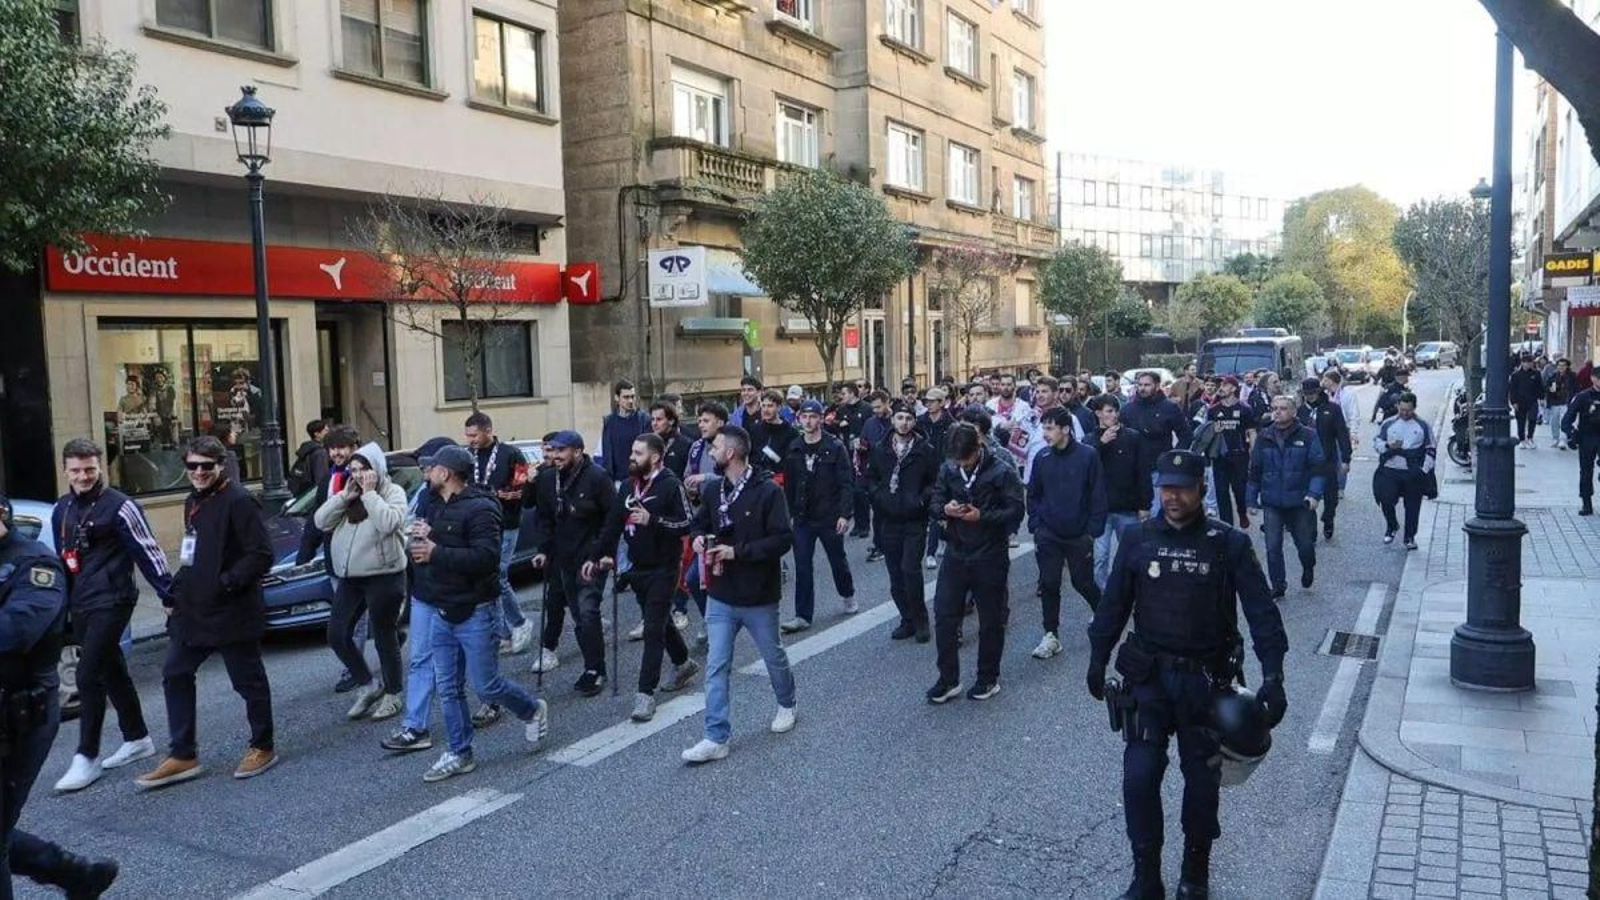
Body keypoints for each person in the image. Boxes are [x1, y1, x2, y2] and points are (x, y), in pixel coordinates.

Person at [1087, 450, 1288, 899]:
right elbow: (1114, 604)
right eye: (1165, 487)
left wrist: (1274, 675)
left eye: (1182, 487)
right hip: (1149, 679)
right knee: (1139, 778)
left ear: (1201, 488)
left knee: (1201, 784)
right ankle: (1146, 877)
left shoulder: (1228, 543)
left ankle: (1195, 872)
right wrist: (1098, 656)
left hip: (1205, 686)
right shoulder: (1138, 539)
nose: (1172, 496)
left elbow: (1261, 613)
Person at [136, 436, 276, 788]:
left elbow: (261, 555)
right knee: (175, 672)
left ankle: (263, 745)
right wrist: (176, 591)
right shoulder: (192, 501)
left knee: (248, 681)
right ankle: (183, 753)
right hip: (194, 609)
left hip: (232, 610)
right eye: (192, 466)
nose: (198, 472)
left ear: (221, 465)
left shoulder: (241, 501)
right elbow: (190, 551)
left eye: (206, 466)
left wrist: (225, 582)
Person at [0, 493, 122, 897]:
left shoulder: (34, 565)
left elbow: (15, 632)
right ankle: (75, 874)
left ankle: (75, 874)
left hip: (19, 716)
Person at [406, 446, 549, 782]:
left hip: (475, 610)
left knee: (486, 686)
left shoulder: (482, 508)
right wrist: (424, 544)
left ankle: (531, 709)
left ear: (448, 473)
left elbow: (486, 559)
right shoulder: (433, 503)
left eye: (433, 468)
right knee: (448, 687)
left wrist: (436, 550)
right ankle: (459, 752)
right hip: (442, 607)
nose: (428, 473)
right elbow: (434, 546)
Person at [50, 439, 169, 793]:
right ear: (65, 470)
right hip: (81, 601)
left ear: (101, 466)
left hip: (114, 599)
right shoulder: (63, 508)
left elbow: (149, 551)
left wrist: (168, 594)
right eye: (76, 470)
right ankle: (137, 738)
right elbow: (63, 560)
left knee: (88, 674)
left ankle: (86, 756)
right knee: (111, 668)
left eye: (89, 469)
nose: (83, 476)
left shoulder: (121, 506)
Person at [682, 426, 797, 764]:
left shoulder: (767, 492)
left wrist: (737, 552)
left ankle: (787, 702)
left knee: (773, 655)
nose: (711, 451)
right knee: (716, 665)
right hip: (721, 593)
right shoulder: (715, 488)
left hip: (758, 594)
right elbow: (699, 524)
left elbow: (782, 540)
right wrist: (701, 538)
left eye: (715, 446)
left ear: (730, 453)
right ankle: (716, 736)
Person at [590, 434, 700, 722]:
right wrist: (597, 556)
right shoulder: (628, 486)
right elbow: (611, 526)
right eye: (632, 451)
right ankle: (683, 662)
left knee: (652, 629)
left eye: (638, 453)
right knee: (660, 622)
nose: (632, 457)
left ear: (655, 457)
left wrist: (654, 521)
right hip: (637, 568)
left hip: (665, 567)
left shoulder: (670, 485)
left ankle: (645, 694)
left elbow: (688, 523)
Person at [925, 423, 1025, 704]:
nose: (961, 464)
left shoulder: (1002, 470)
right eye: (957, 459)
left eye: (965, 459)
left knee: (990, 620)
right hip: (956, 551)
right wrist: (944, 510)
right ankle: (948, 679)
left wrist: (983, 515)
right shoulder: (948, 468)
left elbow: (1016, 510)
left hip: (990, 553)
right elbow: (934, 501)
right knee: (944, 616)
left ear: (978, 448)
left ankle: (987, 677)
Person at [314, 442, 410, 722]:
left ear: (376, 469)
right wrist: (344, 496)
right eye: (353, 470)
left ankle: (393, 694)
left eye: (363, 469)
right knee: (336, 634)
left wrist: (370, 495)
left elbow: (389, 522)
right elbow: (320, 521)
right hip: (351, 577)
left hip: (385, 575)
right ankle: (369, 685)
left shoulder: (392, 492)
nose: (357, 475)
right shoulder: (351, 494)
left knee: (384, 635)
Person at [528, 431, 616, 698]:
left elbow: (612, 518)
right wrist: (543, 550)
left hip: (591, 556)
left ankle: (596, 670)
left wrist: (605, 553)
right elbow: (544, 518)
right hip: (563, 559)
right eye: (552, 451)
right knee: (579, 616)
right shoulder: (546, 479)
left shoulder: (597, 478)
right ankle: (592, 665)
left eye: (561, 451)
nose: (555, 456)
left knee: (589, 612)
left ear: (577, 451)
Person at [1026, 408, 1106, 661]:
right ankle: (1051, 634)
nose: (1045, 433)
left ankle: (1104, 614)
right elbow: (1034, 493)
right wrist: (1036, 524)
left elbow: (1098, 494)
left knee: (1082, 582)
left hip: (1079, 534)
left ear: (1065, 429)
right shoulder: (1042, 456)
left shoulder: (1088, 456)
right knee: (1049, 583)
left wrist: (1092, 532)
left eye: (1050, 428)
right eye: (1044, 428)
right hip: (1048, 533)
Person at [780, 400, 858, 633]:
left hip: (829, 516)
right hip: (803, 517)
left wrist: (845, 514)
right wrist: (790, 514)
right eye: (804, 417)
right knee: (802, 565)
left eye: (813, 416)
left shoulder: (834, 447)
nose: (808, 421)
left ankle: (847, 593)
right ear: (799, 419)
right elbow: (789, 485)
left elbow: (846, 483)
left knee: (837, 560)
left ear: (821, 419)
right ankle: (803, 615)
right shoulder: (794, 448)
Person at [463, 412, 534, 658]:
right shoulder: (467, 456)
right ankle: (502, 633)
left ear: (488, 431)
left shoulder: (510, 454)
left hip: (506, 523)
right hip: (479, 525)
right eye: (467, 435)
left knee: (499, 575)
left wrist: (513, 495)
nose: (469, 439)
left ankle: (520, 622)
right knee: (489, 578)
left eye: (474, 435)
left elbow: (522, 487)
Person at [866, 402, 938, 643]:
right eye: (900, 417)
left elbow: (934, 482)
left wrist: (920, 500)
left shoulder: (925, 450)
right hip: (888, 519)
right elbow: (871, 479)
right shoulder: (880, 449)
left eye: (908, 418)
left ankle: (920, 620)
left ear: (914, 422)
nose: (904, 422)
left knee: (910, 570)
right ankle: (906, 619)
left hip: (914, 520)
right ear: (893, 420)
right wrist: (879, 496)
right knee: (895, 575)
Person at [1247, 396, 1327, 599]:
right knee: (1272, 547)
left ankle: (1308, 566)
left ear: (1293, 412)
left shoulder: (1308, 436)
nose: (1277, 412)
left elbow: (1318, 468)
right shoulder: (1264, 437)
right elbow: (1255, 470)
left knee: (1305, 545)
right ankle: (1278, 584)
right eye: (1274, 408)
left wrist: (1314, 494)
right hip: (1272, 502)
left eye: (1283, 408)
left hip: (1299, 501)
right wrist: (1250, 500)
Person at [1089, 395, 1151, 591]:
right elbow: (1085, 467)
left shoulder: (1132, 437)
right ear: (1098, 413)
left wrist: (1144, 504)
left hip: (1127, 507)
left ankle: (1131, 595)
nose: (1113, 415)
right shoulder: (1090, 439)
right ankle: (1104, 600)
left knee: (1130, 555)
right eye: (1108, 411)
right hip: (1100, 510)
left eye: (1116, 411)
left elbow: (1142, 471)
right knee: (1100, 558)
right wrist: (1101, 442)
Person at [1121, 371, 1192, 517]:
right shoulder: (1128, 410)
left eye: (1147, 385)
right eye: (1139, 385)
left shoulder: (1169, 408)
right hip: (1132, 470)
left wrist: (1173, 457)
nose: (1142, 388)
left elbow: (1185, 435)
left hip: (1158, 469)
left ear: (1157, 386)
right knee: (1130, 518)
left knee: (1155, 515)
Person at [1372, 393, 1436, 549]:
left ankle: (1409, 537)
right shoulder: (1388, 423)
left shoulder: (1422, 425)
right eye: (1402, 410)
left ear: (1414, 408)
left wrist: (1424, 469)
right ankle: (1392, 525)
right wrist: (1388, 446)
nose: (1405, 413)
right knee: (1385, 499)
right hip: (1390, 468)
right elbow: (1377, 442)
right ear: (1397, 407)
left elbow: (1431, 448)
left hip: (1413, 470)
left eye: (1408, 410)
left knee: (1413, 505)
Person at [1296, 378, 1351, 542]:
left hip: (1327, 459)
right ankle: (1310, 531)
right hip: (1306, 462)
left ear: (1319, 391)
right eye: (1307, 394)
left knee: (1331, 497)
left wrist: (1346, 458)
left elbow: (1341, 433)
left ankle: (1328, 518)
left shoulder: (1332, 409)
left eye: (1313, 393)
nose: (1310, 396)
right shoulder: (1300, 412)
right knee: (1308, 497)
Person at [1204, 377, 1257, 528]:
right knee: (1221, 492)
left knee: (1239, 490)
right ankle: (1227, 525)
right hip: (1220, 456)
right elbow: (1207, 431)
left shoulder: (1244, 409)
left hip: (1239, 455)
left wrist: (1253, 451)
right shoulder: (1213, 410)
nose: (1221, 388)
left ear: (1233, 388)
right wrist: (1213, 432)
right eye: (1220, 385)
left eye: (1225, 385)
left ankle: (1242, 512)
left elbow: (1251, 431)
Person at [858, 391, 894, 562]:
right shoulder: (870, 422)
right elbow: (864, 441)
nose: (876, 411)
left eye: (879, 407)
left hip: (894, 472)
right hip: (874, 472)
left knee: (890, 512)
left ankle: (887, 544)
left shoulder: (898, 421)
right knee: (878, 513)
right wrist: (861, 447)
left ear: (888, 403)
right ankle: (879, 544)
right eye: (873, 408)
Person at [1561, 382, 1600, 515]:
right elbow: (1567, 419)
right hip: (1587, 437)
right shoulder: (1583, 397)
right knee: (1586, 472)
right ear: (1593, 378)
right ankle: (1586, 503)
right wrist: (1571, 434)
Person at [600, 379, 650, 483]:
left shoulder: (644, 419)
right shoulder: (609, 422)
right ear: (617, 398)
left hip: (641, 478)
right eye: (626, 397)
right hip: (618, 480)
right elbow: (607, 453)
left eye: (632, 397)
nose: (630, 401)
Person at [748, 389, 798, 476]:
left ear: (779, 407)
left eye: (770, 406)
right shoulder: (754, 430)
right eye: (763, 406)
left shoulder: (791, 433)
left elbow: (791, 463)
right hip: (756, 480)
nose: (766, 410)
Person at [1509, 354, 1545, 449]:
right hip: (1520, 401)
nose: (1528, 364)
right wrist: (1514, 402)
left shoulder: (1536, 374)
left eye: (1530, 362)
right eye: (1526, 362)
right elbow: (1512, 390)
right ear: (1522, 363)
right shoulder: (1515, 375)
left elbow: (1540, 387)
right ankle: (1522, 439)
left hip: (1532, 400)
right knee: (1520, 420)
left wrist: (1541, 398)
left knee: (1532, 419)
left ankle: (1530, 437)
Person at [648, 401, 691, 478]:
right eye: (652, 419)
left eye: (659, 419)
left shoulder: (686, 445)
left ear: (671, 421)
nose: (654, 423)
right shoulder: (649, 444)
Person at [288, 419, 329, 497]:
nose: (328, 432)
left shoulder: (307, 449)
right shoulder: (320, 453)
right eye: (325, 430)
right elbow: (321, 479)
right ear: (317, 434)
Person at [1546, 358, 1579, 449]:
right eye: (1559, 365)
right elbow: (1549, 388)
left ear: (1567, 366)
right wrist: (1551, 390)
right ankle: (1555, 438)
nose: (1561, 367)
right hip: (1555, 401)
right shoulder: (1553, 376)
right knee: (1554, 421)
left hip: (1566, 402)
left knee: (1563, 421)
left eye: (1563, 365)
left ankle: (1562, 440)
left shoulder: (1572, 376)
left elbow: (1576, 389)